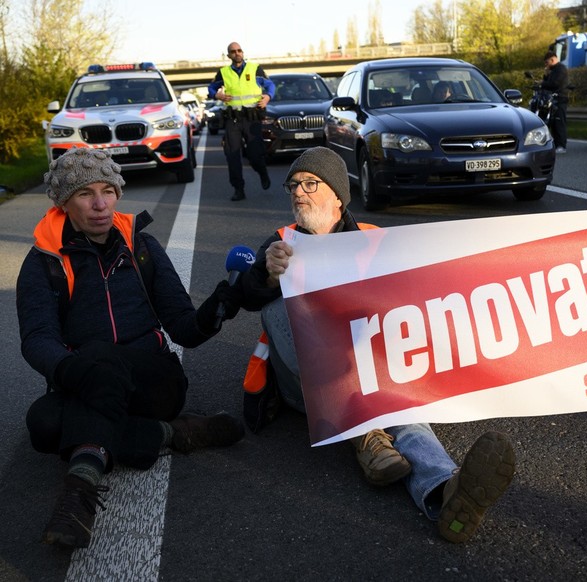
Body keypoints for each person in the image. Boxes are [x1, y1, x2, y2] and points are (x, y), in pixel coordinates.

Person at [238, 147, 516, 544]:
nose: (299, 192)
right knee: (279, 307)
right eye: (293, 185)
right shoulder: (281, 242)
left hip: (368, 372)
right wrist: (265, 275)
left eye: (310, 183)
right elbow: (241, 298)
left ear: (336, 194)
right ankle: (365, 435)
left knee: (399, 408)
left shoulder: (375, 241)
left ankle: (444, 492)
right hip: (304, 383)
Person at [17, 148, 247, 549]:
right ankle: (168, 434)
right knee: (43, 424)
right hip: (88, 380)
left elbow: (183, 328)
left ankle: (77, 497)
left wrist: (216, 310)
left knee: (98, 363)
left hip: (153, 381)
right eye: (87, 194)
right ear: (64, 202)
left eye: (108, 190)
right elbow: (38, 339)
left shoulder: (142, 247)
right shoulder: (44, 262)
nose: (101, 204)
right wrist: (74, 371)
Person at [207, 42, 276, 202]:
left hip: (252, 119)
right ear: (229, 55)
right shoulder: (224, 72)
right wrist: (217, 95)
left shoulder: (254, 68)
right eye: (233, 51)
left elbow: (270, 85)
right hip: (233, 119)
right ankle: (238, 189)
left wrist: (267, 97)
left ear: (242, 52)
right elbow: (211, 88)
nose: (237, 53)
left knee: (254, 155)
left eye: (239, 50)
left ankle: (262, 172)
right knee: (232, 155)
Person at [541, 50, 569, 154]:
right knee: (553, 123)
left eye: (547, 62)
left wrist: (543, 84)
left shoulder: (560, 69)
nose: (546, 65)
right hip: (553, 99)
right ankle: (556, 144)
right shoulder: (553, 70)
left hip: (560, 98)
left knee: (559, 122)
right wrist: (546, 76)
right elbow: (548, 82)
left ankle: (561, 145)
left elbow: (554, 84)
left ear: (552, 59)